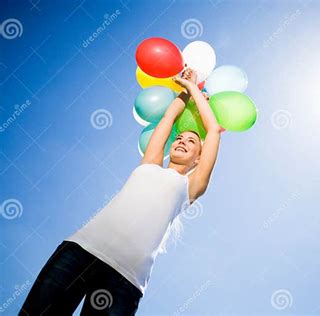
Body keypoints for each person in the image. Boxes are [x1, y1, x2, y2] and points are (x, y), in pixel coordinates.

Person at [20, 68, 222, 315]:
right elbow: (169, 119)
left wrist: (194, 89)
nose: (182, 141)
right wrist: (185, 92)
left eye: (192, 142)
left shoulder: (191, 186)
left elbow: (212, 131)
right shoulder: (150, 163)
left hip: (125, 280)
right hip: (81, 252)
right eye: (180, 138)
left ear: (199, 160)